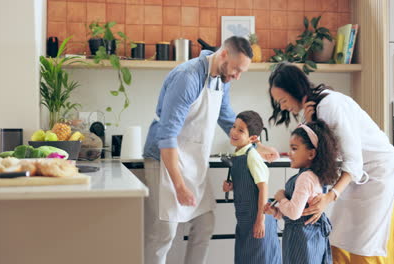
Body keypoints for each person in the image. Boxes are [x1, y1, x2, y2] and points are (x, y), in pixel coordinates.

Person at [142, 36, 279, 264]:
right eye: (236, 69)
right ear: (223, 54)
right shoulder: (188, 77)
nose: (237, 76)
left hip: (193, 160)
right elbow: (167, 136)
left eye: (241, 72)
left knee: (204, 225)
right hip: (163, 158)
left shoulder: (221, 79)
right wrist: (179, 185)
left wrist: (258, 146)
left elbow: (227, 119)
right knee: (165, 231)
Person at [267, 62, 394, 264]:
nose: (282, 107)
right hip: (353, 179)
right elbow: (321, 157)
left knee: (365, 247)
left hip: (378, 175)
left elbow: (354, 160)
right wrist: (310, 124)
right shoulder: (313, 111)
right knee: (339, 240)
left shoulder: (330, 105)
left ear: (295, 90)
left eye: (282, 100)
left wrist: (330, 196)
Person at [264, 120, 337, 264]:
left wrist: (280, 197)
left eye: (294, 148)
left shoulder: (305, 177)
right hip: (305, 236)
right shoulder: (310, 175)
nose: (290, 153)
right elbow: (297, 211)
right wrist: (277, 212)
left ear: (311, 153)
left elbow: (294, 213)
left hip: (303, 240)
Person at [222, 110, 281, 264]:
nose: (234, 132)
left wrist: (260, 221)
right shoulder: (238, 154)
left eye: (240, 130)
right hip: (245, 219)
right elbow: (247, 183)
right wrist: (232, 186)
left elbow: (263, 189)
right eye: (234, 126)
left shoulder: (252, 156)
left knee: (260, 258)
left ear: (253, 138)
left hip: (257, 217)